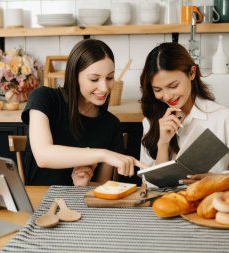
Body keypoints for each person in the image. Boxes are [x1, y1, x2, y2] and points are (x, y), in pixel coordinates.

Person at [139, 42, 229, 187]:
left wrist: (218, 179)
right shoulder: (151, 121)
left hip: (214, 203)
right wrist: (163, 143)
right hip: (170, 204)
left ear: (192, 73)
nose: (166, 96)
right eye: (157, 89)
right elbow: (149, 186)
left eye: (173, 86)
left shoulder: (224, 119)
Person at [22, 39, 145, 186]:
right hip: (37, 201)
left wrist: (83, 185)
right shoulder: (44, 98)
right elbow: (43, 156)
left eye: (110, 77)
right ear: (74, 77)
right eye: (94, 79)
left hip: (78, 204)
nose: (105, 88)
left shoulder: (111, 125)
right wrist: (103, 154)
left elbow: (102, 186)